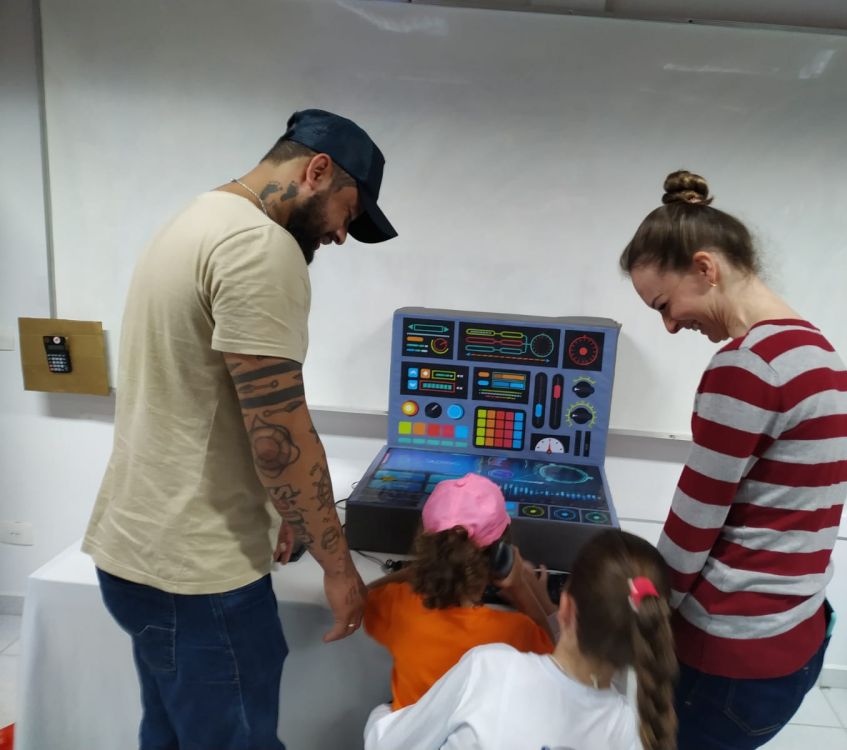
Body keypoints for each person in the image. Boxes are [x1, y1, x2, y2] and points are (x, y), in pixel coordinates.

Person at [81, 108, 397, 750]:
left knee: (168, 734)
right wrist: (339, 568)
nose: (341, 235)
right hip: (199, 576)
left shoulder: (197, 218)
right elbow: (279, 438)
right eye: (349, 212)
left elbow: (207, 400)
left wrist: (277, 511)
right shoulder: (262, 247)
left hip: (139, 552)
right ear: (317, 170)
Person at [619, 170, 847, 749]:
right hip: (796, 634)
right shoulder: (818, 352)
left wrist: (640, 608)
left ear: (705, 268)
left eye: (665, 304)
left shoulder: (748, 365)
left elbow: (694, 525)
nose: (670, 325)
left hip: (729, 653)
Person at [364, 528, 678, 750]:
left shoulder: (489, 670)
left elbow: (386, 745)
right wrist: (532, 598)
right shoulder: (633, 731)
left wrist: (386, 710)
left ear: (566, 607)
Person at [364, 472, 555, 711]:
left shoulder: (397, 604)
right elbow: (555, 662)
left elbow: (360, 599)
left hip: (410, 731)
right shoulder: (514, 631)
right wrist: (523, 589)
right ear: (500, 557)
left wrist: (414, 571)